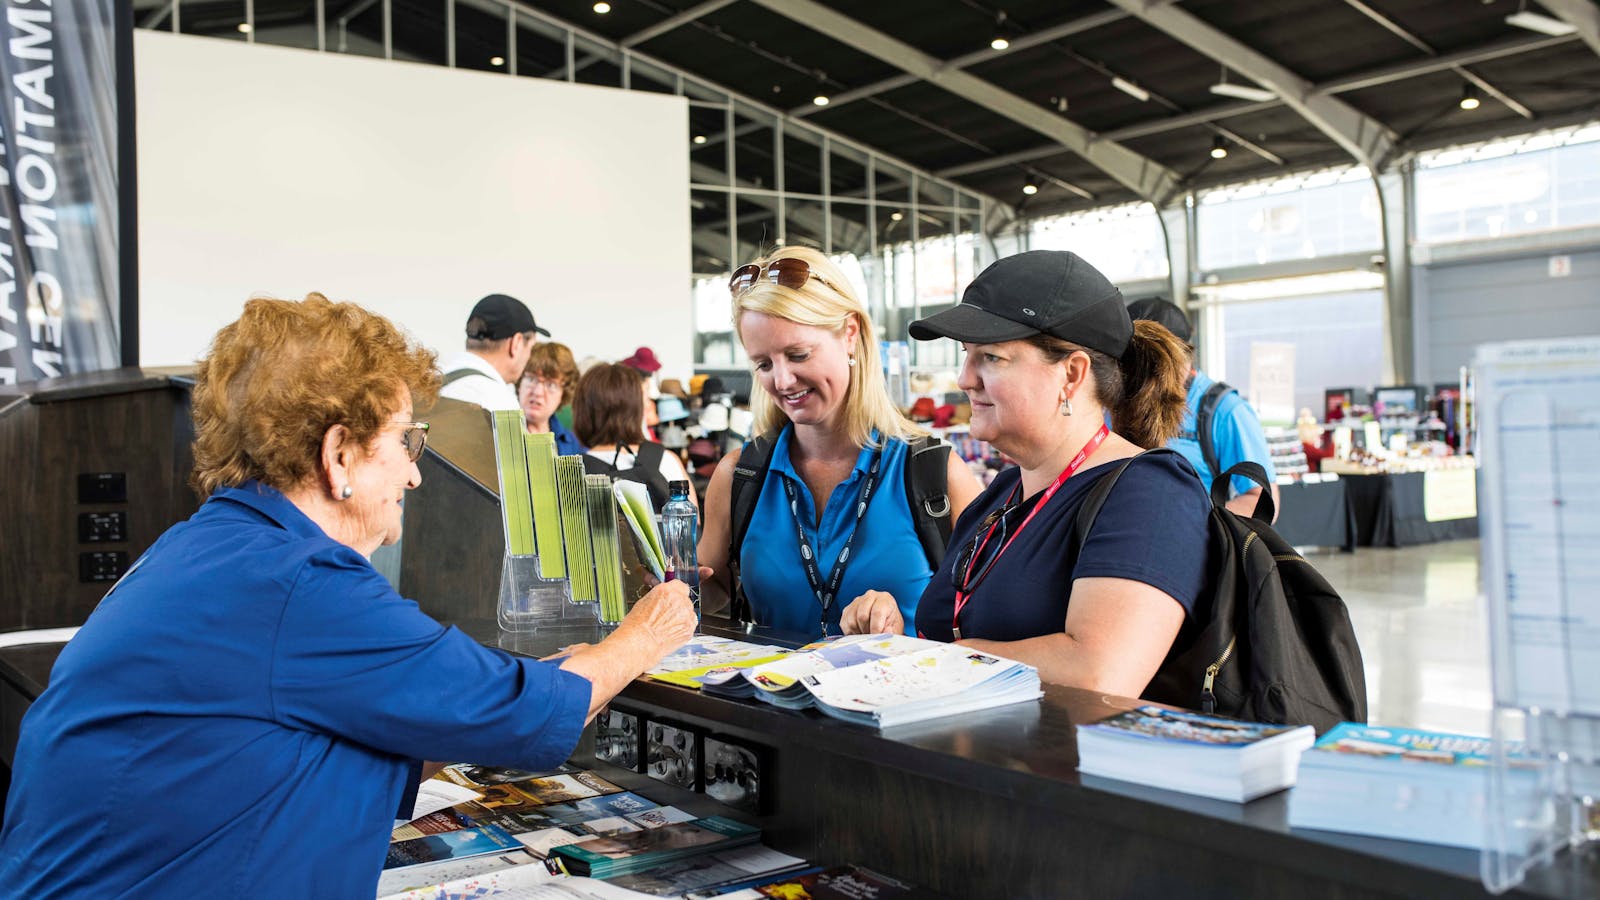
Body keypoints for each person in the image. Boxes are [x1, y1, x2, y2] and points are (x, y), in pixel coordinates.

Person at [0, 294, 698, 895]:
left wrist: (511, 689)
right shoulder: (299, 586)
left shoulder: (205, 546)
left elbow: (333, 731)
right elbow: (531, 714)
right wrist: (644, 633)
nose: (415, 477)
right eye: (406, 443)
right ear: (339, 456)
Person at [839, 251, 1213, 697]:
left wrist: (929, 660)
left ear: (1072, 374)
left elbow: (1100, 671)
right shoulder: (1003, 493)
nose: (964, 378)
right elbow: (955, 639)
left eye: (991, 358)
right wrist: (896, 641)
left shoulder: (1150, 491)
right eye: (966, 355)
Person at [698, 246, 982, 639]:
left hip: (896, 696)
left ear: (850, 334)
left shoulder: (936, 476)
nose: (781, 381)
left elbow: (986, 629)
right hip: (769, 697)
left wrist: (906, 637)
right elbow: (712, 592)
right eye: (763, 364)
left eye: (798, 355)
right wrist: (668, 582)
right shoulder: (739, 476)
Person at [1126, 298, 1279, 520]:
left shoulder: (1226, 412)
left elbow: (1261, 499)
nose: (1141, 375)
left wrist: (1193, 522)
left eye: (1153, 362)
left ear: (1182, 355)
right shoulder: (1118, 403)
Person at [574, 362, 696, 511]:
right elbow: (693, 528)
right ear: (637, 410)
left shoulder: (571, 471)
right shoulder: (666, 460)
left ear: (583, 411)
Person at [437, 293, 548, 412]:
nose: (529, 357)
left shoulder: (428, 382)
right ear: (516, 343)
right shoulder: (500, 402)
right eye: (530, 348)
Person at [519, 342, 585, 455]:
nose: (538, 392)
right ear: (519, 382)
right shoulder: (497, 434)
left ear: (564, 393)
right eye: (531, 379)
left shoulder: (573, 445)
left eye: (551, 385)